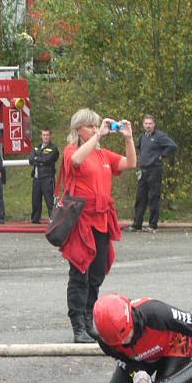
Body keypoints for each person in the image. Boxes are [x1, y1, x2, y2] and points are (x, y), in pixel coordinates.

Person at [60, 108, 137, 343]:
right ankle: (78, 326)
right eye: (90, 126)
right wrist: (99, 136)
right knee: (79, 274)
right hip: (81, 222)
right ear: (78, 129)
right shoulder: (72, 150)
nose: (95, 129)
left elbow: (131, 163)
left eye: (96, 125)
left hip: (101, 221)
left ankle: (88, 320)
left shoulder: (103, 156)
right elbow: (75, 160)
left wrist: (128, 137)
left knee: (97, 272)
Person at [128, 114, 177, 233]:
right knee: (140, 198)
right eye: (146, 123)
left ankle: (152, 225)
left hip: (154, 170)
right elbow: (139, 148)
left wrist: (161, 156)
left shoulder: (160, 136)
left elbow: (172, 146)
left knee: (153, 197)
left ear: (154, 124)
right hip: (143, 171)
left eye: (150, 123)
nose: (148, 126)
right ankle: (137, 224)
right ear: (143, 125)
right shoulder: (142, 137)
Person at [28, 128, 60, 224]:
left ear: (50, 136)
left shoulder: (53, 148)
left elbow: (48, 159)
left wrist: (37, 158)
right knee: (36, 200)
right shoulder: (37, 148)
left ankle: (53, 219)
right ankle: (35, 220)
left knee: (50, 200)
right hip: (37, 178)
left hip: (47, 178)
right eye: (44, 135)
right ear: (41, 136)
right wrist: (40, 159)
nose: (45, 137)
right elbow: (30, 159)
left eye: (47, 135)